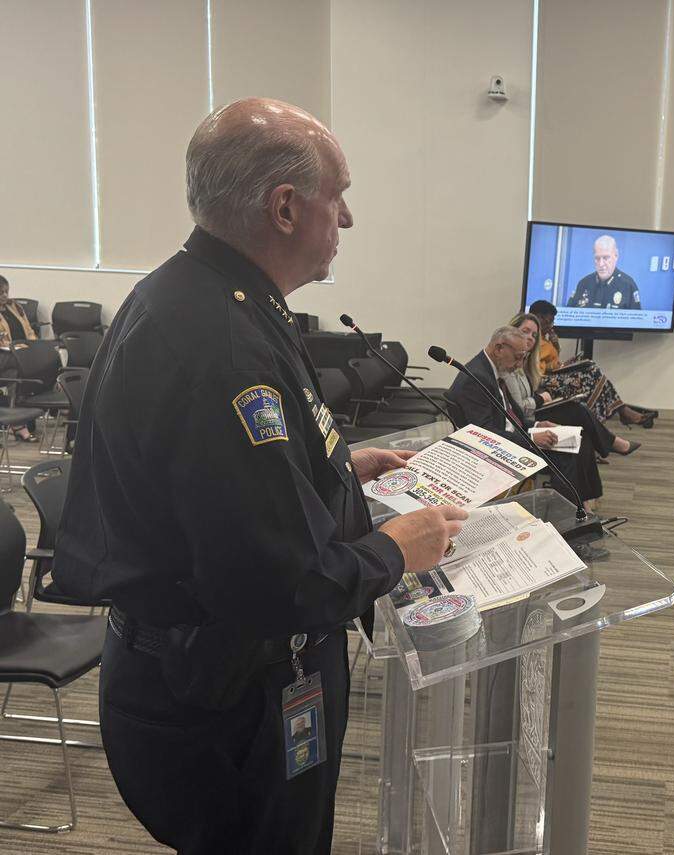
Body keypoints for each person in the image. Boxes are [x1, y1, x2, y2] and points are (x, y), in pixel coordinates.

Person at [52, 98, 467, 855]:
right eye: (336, 196)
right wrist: (398, 549)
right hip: (223, 692)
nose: (346, 219)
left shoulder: (206, 295)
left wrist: (339, 469)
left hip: (207, 672)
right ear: (284, 208)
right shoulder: (222, 342)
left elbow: (225, 484)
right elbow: (280, 580)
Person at [447, 326, 604, 505]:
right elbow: (484, 433)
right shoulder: (476, 378)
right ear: (499, 349)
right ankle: (565, 520)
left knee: (581, 441)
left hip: (511, 437)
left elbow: (512, 415)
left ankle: (582, 507)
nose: (520, 365)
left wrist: (537, 425)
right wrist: (532, 438)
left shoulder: (490, 369)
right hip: (496, 450)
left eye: (523, 357)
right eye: (518, 357)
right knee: (566, 455)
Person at [505, 311, 639, 457]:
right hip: (534, 410)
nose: (530, 338)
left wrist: (555, 343)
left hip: (540, 395)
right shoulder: (510, 364)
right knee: (581, 398)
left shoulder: (531, 355)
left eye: (534, 335)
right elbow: (519, 409)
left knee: (582, 425)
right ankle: (614, 433)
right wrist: (541, 399)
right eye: (526, 332)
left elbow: (551, 363)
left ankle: (612, 428)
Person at [528, 299, 657, 427]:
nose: (551, 326)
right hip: (541, 381)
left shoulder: (544, 338)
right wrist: (558, 367)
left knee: (591, 370)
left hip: (551, 376)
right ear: (538, 317)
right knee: (592, 375)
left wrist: (560, 355)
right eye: (549, 321)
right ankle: (613, 416)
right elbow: (538, 367)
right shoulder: (532, 338)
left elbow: (552, 361)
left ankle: (611, 416)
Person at [0, 274, 40, 441]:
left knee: (35, 363)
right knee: (19, 366)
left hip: (20, 352)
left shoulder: (14, 307)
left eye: (6, 292)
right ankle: (18, 423)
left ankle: (19, 418)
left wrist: (35, 346)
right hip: (4, 354)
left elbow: (28, 330)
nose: (4, 296)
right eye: (0, 292)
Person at [567, 235, 641, 309]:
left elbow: (636, 319)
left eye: (606, 258)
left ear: (616, 256)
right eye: (597, 258)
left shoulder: (628, 285)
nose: (601, 264)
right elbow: (568, 315)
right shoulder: (583, 284)